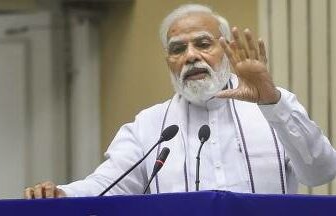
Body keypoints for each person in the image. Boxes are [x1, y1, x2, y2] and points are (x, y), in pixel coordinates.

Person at [25, 4, 336, 199]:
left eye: (203, 43)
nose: (190, 56)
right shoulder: (149, 126)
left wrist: (272, 102)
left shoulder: (272, 106)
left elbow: (321, 171)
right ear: (169, 61)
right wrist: (61, 193)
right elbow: (108, 184)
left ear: (227, 50)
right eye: (178, 49)